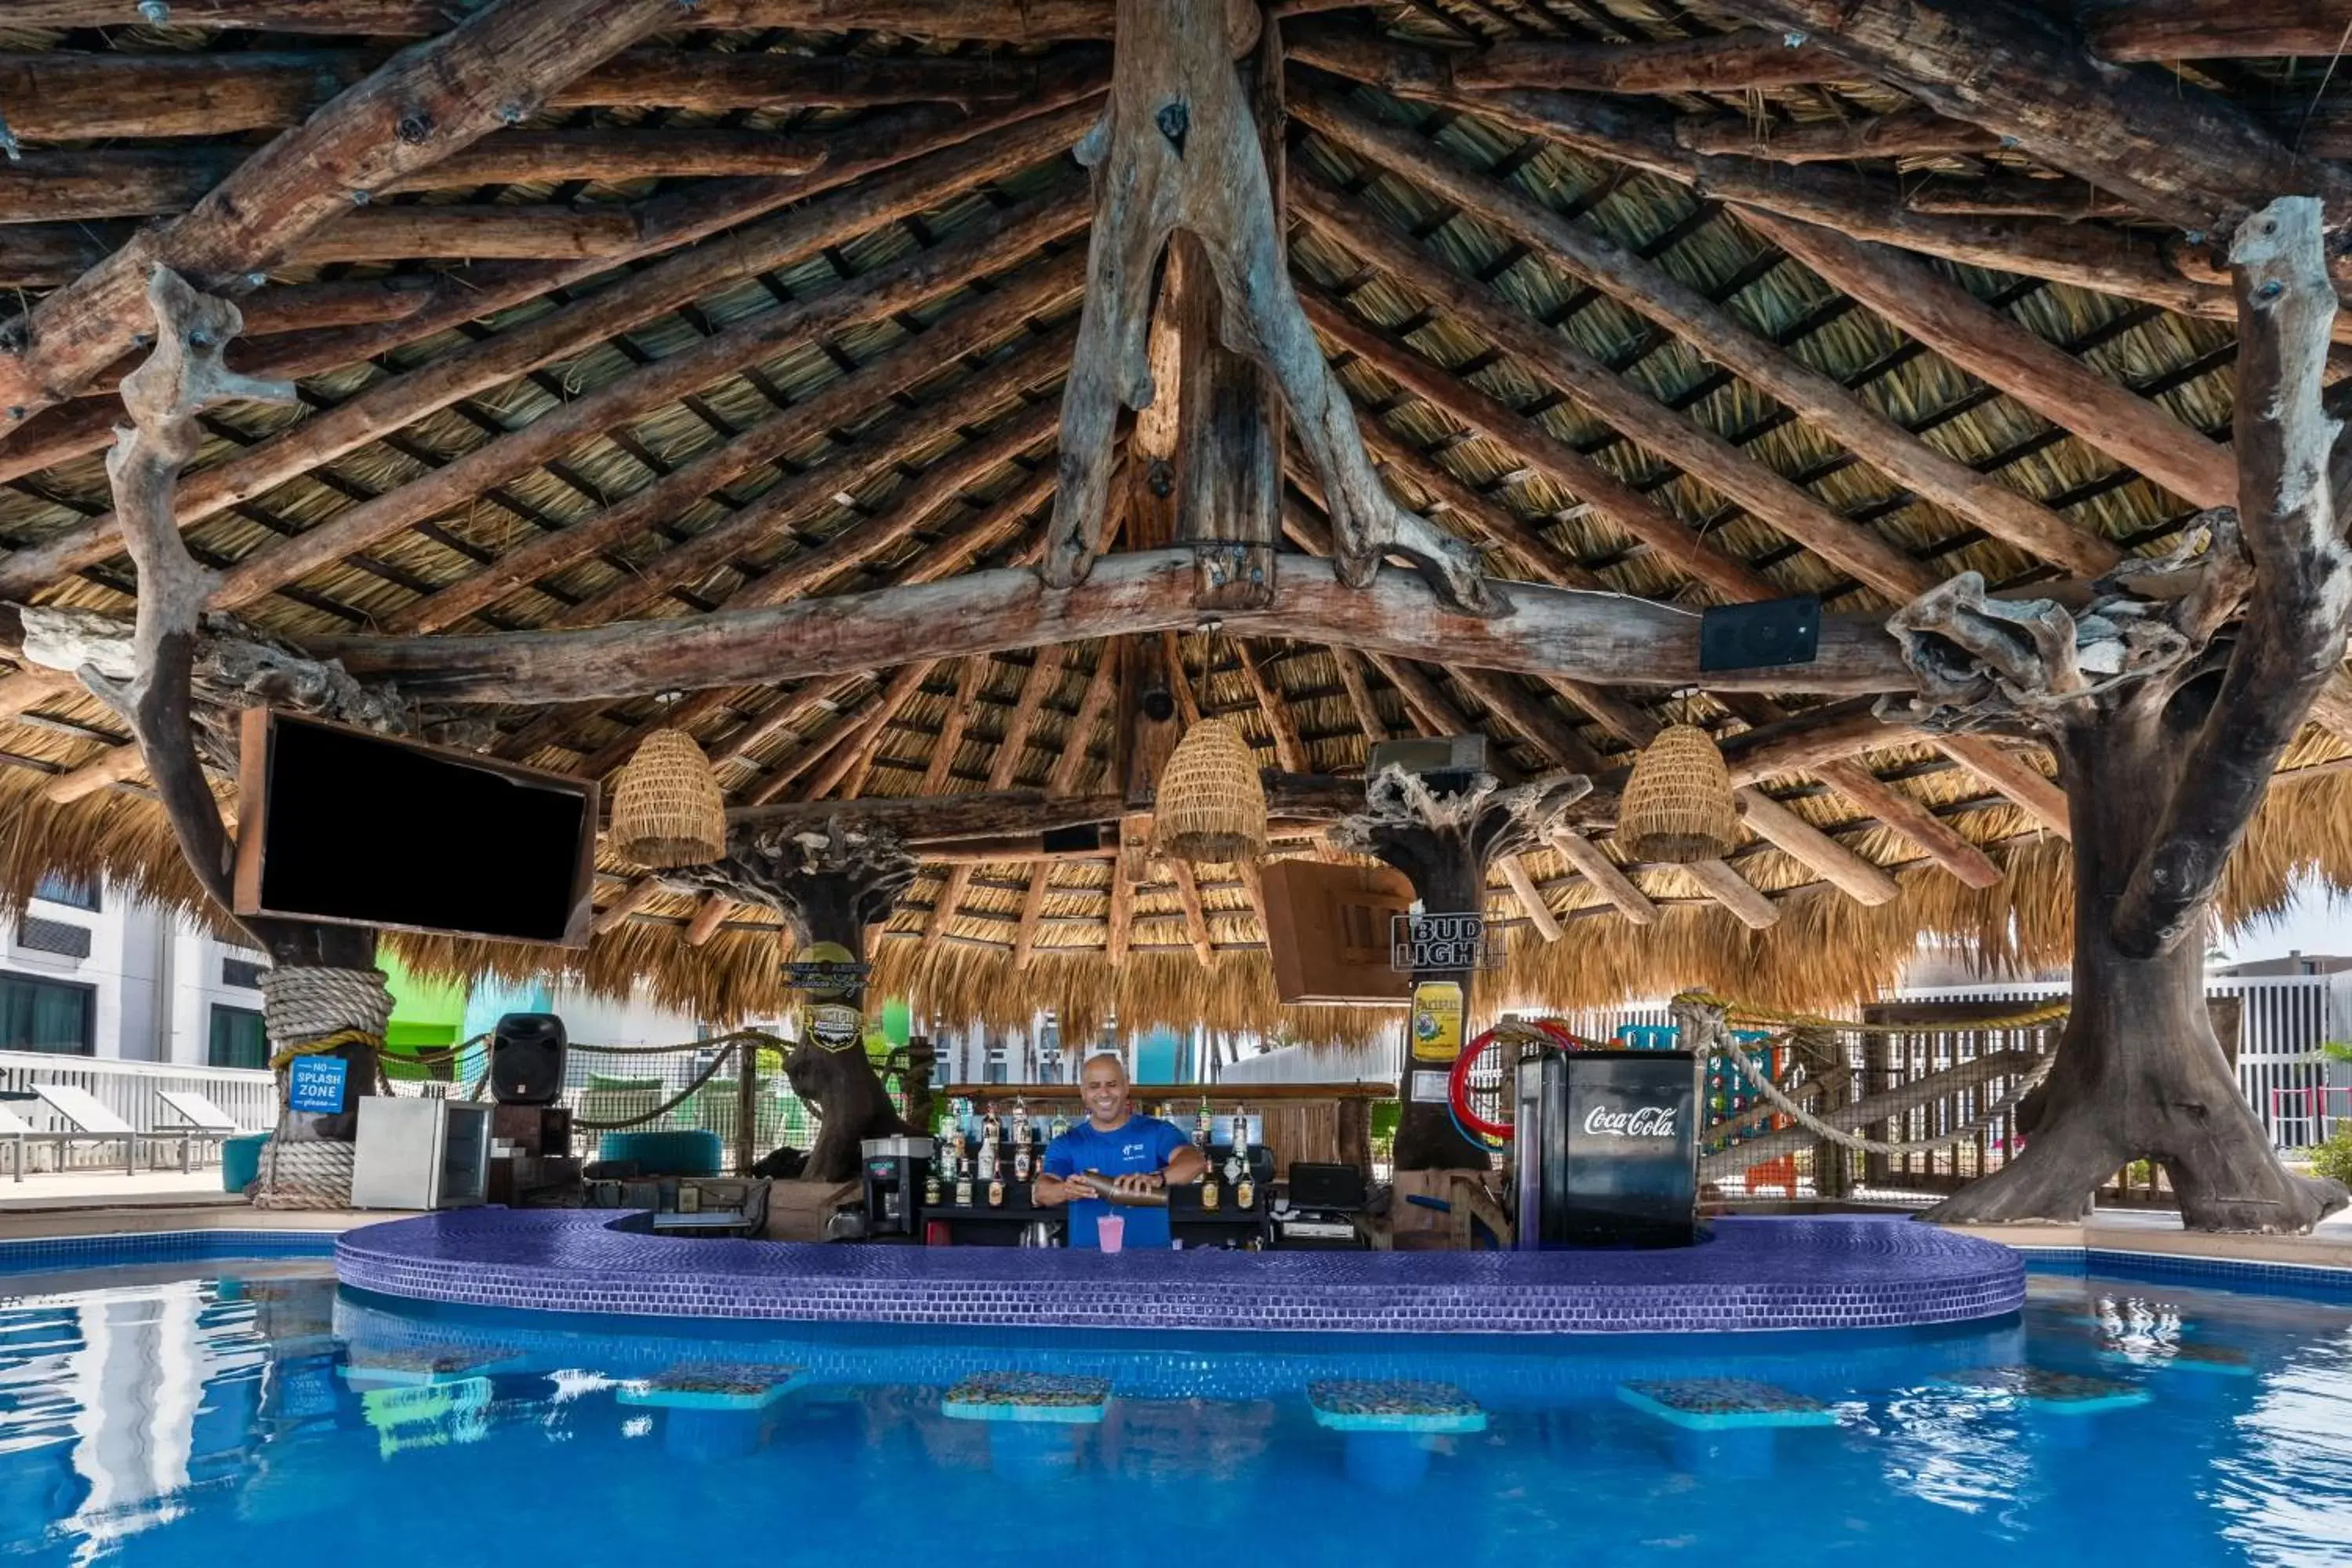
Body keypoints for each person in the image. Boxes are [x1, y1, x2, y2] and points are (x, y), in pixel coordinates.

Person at [1033, 1052, 1207, 1249]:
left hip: (1152, 1263)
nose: (1104, 1093)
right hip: (1087, 1265)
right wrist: (1066, 1190)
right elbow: (1042, 1192)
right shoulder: (1067, 1143)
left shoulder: (1157, 1131)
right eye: (1094, 1086)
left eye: (1112, 1084)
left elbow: (1195, 1161)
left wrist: (1158, 1178)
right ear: (1083, 1093)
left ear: (1126, 1086)